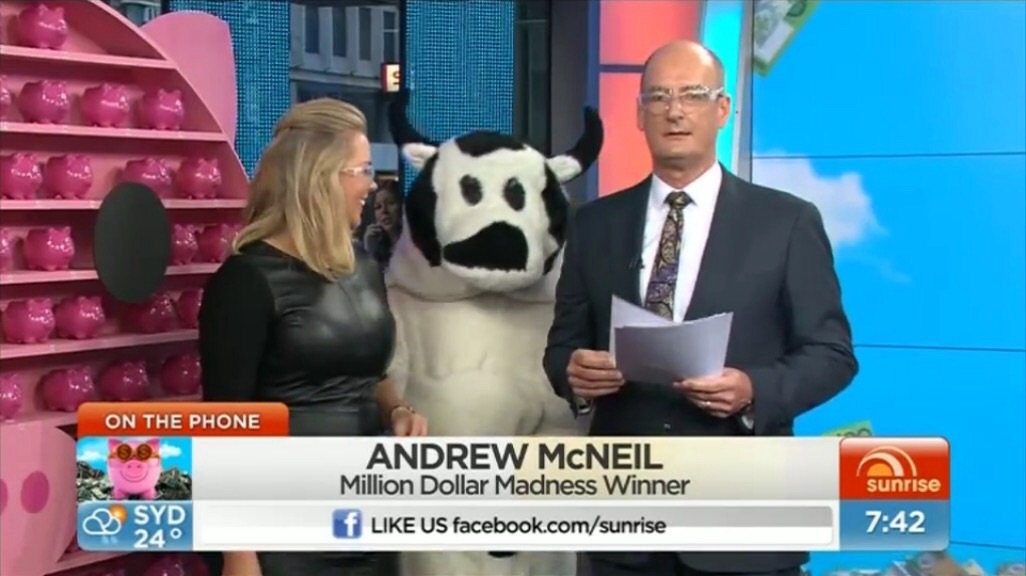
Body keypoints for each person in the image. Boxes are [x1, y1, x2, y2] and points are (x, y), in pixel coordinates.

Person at [543, 40, 857, 576]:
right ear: (639, 113)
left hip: (743, 519)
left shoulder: (787, 223)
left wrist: (753, 388)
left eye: (692, 94)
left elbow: (832, 354)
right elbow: (561, 348)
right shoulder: (594, 225)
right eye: (659, 96)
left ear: (723, 108)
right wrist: (575, 374)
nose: (675, 110)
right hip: (625, 525)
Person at [198, 98, 427, 576]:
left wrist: (397, 410)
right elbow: (224, 428)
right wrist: (238, 553)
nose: (372, 185)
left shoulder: (363, 268)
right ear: (318, 177)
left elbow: (370, 373)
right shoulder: (245, 280)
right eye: (363, 170)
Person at [363, 178, 402, 266]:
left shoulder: (416, 247)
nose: (384, 211)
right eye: (378, 207)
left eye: (390, 203)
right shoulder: (378, 249)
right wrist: (369, 250)